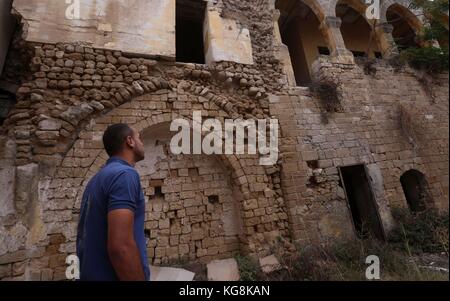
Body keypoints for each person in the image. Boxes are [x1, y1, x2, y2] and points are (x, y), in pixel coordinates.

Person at [76, 123, 150, 281]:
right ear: (130, 141)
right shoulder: (125, 175)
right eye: (140, 138)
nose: (142, 143)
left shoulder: (97, 179)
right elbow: (120, 248)